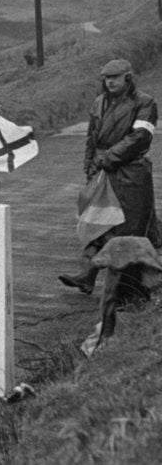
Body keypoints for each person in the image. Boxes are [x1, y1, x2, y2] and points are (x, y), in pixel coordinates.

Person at [59, 58, 162, 294]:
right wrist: (90, 166)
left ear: (128, 78)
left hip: (131, 174)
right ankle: (86, 275)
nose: (110, 82)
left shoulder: (145, 102)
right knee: (98, 223)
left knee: (129, 231)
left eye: (114, 78)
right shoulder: (99, 103)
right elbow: (91, 138)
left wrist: (108, 158)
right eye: (106, 78)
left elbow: (140, 138)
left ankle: (129, 291)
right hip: (103, 172)